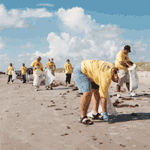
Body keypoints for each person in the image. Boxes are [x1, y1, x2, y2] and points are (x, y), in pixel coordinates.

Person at [73, 60, 119, 125]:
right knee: (87, 93)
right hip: (81, 71)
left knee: (96, 91)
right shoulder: (106, 78)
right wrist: (105, 114)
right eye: (117, 79)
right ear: (115, 75)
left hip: (93, 72)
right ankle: (83, 117)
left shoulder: (112, 67)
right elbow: (103, 97)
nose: (117, 81)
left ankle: (95, 113)